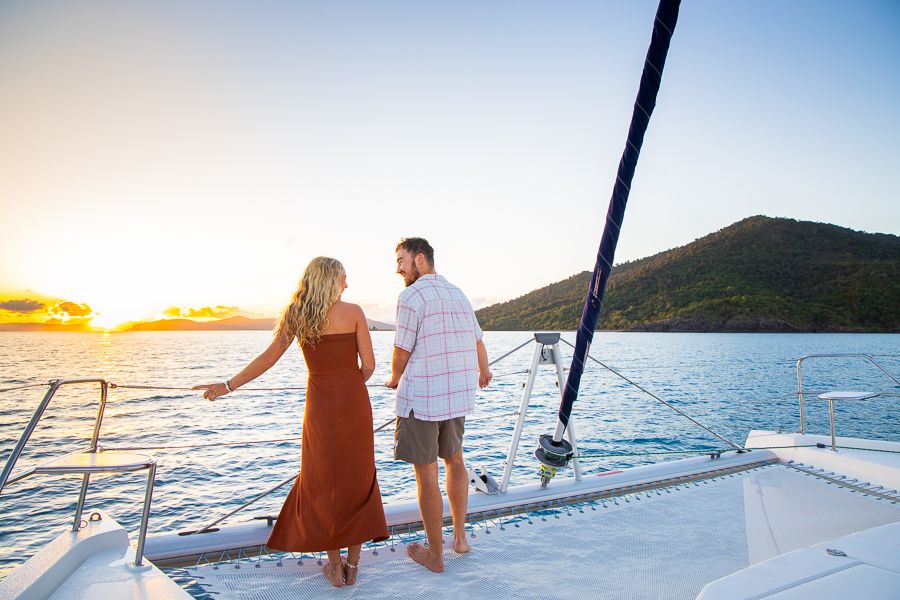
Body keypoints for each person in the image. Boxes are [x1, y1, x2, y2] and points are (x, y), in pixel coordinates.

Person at [193, 257, 388, 588]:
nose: (347, 283)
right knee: (358, 477)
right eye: (344, 277)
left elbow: (269, 358)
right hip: (354, 402)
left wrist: (227, 385)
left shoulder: (297, 314)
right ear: (331, 279)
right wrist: (350, 384)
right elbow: (368, 365)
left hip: (320, 406)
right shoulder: (354, 312)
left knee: (322, 480)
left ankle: (335, 567)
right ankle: (353, 567)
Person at [385, 237, 492, 573]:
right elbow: (478, 340)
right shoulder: (458, 293)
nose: (398, 269)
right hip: (456, 394)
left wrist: (393, 378)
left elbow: (402, 349)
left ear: (420, 259)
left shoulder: (411, 296)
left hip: (424, 398)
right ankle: (460, 539)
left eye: (401, 261)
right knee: (455, 462)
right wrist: (484, 371)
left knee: (427, 474)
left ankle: (435, 555)